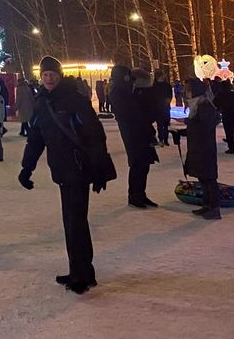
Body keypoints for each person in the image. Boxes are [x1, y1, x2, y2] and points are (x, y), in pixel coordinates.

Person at [19, 56, 116, 294]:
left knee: (75, 222)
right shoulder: (42, 103)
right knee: (72, 222)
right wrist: (26, 168)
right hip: (61, 169)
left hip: (78, 168)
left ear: (60, 76)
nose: (49, 78)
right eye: (45, 75)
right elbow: (36, 139)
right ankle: (81, 271)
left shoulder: (73, 100)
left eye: (53, 74)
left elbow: (94, 134)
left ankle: (81, 275)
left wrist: (99, 168)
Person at [108, 66, 159, 208]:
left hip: (140, 130)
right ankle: (135, 196)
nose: (129, 79)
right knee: (138, 163)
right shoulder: (118, 93)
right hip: (132, 132)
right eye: (127, 76)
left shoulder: (126, 90)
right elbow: (131, 112)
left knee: (144, 163)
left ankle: (140, 194)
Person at [183, 79, 221, 220]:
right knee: (203, 177)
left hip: (205, 147)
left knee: (209, 178)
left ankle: (214, 207)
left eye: (188, 89)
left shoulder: (204, 106)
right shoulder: (198, 105)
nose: (186, 93)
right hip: (199, 146)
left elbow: (204, 126)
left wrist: (188, 122)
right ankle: (207, 205)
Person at [152, 69, 172, 146]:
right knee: (160, 125)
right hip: (158, 108)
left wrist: (168, 101)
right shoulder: (154, 86)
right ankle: (161, 139)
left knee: (166, 124)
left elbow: (169, 95)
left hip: (165, 107)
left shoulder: (166, 85)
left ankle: (165, 139)